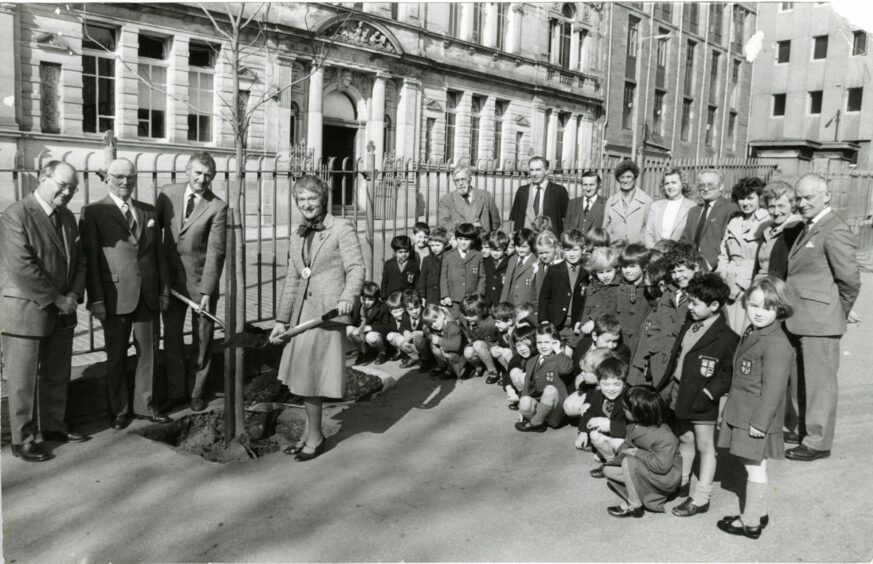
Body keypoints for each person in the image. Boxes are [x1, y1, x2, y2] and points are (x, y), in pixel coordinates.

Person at [269, 175, 364, 461]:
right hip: (301, 316)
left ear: (323, 199)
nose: (307, 204)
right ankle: (310, 434)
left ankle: (315, 437)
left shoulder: (341, 228)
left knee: (310, 378)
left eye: (312, 198)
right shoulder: (297, 233)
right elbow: (292, 278)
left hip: (327, 315)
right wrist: (280, 320)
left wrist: (349, 297)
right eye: (302, 199)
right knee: (303, 378)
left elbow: (357, 267)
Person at [0, 161, 89, 462]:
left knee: (56, 372)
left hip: (63, 307)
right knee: (23, 380)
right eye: (62, 185)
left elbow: (80, 260)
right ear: (42, 178)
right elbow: (22, 267)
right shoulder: (16, 215)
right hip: (26, 309)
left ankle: (53, 427)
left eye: (73, 188)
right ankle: (22, 439)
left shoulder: (67, 217)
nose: (67, 192)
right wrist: (58, 298)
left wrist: (75, 293)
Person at [80, 158, 170, 431]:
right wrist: (95, 299)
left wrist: (164, 290)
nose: (125, 182)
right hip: (114, 296)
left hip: (149, 294)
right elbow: (91, 260)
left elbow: (159, 255)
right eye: (118, 176)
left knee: (149, 353)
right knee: (116, 355)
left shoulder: (148, 210)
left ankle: (146, 406)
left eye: (130, 177)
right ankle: (119, 410)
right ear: (107, 178)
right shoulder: (93, 211)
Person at [783, 173, 861, 462]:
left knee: (819, 383)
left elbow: (850, 280)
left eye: (808, 198)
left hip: (820, 320)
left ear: (826, 196)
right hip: (799, 316)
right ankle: (802, 427)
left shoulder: (834, 229)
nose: (802, 203)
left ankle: (817, 441)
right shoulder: (808, 226)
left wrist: (839, 311)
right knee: (799, 379)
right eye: (798, 198)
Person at [717, 277, 794, 539]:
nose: (758, 312)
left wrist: (760, 423)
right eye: (753, 305)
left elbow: (774, 390)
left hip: (755, 417)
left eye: (767, 307)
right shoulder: (755, 332)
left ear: (780, 309)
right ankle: (757, 511)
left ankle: (750, 522)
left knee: (754, 467)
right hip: (744, 412)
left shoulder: (776, 343)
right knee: (753, 464)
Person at [660, 273, 739, 514]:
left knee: (705, 446)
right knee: (685, 439)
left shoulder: (726, 338)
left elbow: (728, 373)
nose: (690, 307)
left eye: (695, 303)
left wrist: (708, 392)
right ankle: (682, 484)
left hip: (703, 398)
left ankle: (701, 497)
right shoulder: (689, 325)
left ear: (714, 306)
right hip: (680, 392)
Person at [157, 151, 227, 413]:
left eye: (208, 175)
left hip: (200, 285)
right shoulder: (167, 193)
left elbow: (216, 252)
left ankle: (197, 391)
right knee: (172, 338)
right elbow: (157, 235)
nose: (202, 179)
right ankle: (176, 392)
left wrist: (208, 290)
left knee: (203, 338)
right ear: (187, 170)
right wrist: (161, 280)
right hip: (170, 284)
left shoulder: (217, 207)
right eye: (198, 173)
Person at [602, 386, 681, 518]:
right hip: (646, 468)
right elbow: (628, 443)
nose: (623, 410)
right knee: (608, 471)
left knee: (628, 462)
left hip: (663, 478)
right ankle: (641, 490)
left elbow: (662, 467)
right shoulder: (634, 424)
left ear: (640, 412)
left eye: (626, 408)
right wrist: (620, 453)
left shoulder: (665, 437)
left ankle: (635, 504)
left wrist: (637, 453)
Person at [716, 177, 770, 332]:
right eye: (741, 198)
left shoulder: (766, 221)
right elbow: (724, 254)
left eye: (750, 198)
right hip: (729, 285)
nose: (745, 203)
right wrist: (723, 275)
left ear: (760, 198)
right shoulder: (734, 221)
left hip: (751, 285)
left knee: (745, 330)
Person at [515, 323, 573, 432]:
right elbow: (528, 385)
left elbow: (565, 370)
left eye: (547, 342)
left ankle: (535, 422)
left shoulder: (561, 358)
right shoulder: (532, 360)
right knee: (524, 401)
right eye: (539, 342)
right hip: (540, 405)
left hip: (555, 410)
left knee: (550, 390)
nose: (543, 346)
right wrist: (521, 409)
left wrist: (559, 351)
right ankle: (540, 424)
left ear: (555, 342)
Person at [579, 357, 630, 476]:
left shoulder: (630, 398)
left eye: (617, 384)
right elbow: (589, 413)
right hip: (611, 436)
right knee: (594, 434)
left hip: (626, 439)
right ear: (598, 382)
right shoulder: (598, 394)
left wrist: (610, 425)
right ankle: (610, 462)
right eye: (606, 384)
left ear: (625, 383)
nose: (611, 389)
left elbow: (636, 428)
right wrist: (582, 431)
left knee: (616, 442)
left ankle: (621, 466)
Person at [680, 169, 740, 271]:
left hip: (714, 268)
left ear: (721, 186)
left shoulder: (730, 209)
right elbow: (685, 239)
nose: (706, 189)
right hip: (690, 266)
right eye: (702, 185)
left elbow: (727, 242)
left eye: (710, 185)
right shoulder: (693, 211)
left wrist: (707, 265)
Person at [538, 229, 589, 346]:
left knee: (571, 356)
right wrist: (544, 319)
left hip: (575, 324)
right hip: (556, 323)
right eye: (567, 250)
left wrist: (582, 320)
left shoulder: (587, 272)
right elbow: (544, 297)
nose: (571, 254)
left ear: (584, 249)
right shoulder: (554, 270)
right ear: (562, 250)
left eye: (575, 250)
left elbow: (587, 299)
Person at [754, 180, 803, 281]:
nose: (776, 212)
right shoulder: (768, 230)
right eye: (772, 207)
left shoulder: (796, 229)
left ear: (792, 206)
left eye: (781, 206)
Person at [509, 156, 569, 234]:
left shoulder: (559, 191)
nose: (534, 174)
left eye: (538, 170)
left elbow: (567, 219)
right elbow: (515, 219)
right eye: (531, 170)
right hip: (525, 241)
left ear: (547, 171)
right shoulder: (522, 191)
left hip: (548, 241)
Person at [603, 160, 653, 245]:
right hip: (615, 250)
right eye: (622, 177)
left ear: (635, 178)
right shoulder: (611, 201)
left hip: (637, 251)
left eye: (629, 177)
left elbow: (650, 230)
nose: (625, 180)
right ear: (618, 179)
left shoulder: (646, 201)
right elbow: (605, 228)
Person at [438, 166, 501, 234]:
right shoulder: (446, 200)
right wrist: (468, 226)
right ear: (454, 182)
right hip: (461, 240)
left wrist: (486, 237)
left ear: (470, 179)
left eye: (463, 179)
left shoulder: (485, 196)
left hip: (481, 240)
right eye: (457, 180)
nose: (460, 183)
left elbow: (495, 222)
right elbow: (444, 223)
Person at [440, 223, 485, 316]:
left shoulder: (477, 256)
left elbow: (482, 277)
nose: (463, 242)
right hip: (453, 299)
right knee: (454, 323)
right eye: (460, 239)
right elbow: (443, 277)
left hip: (471, 299)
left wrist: (478, 295)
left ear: (472, 240)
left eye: (466, 239)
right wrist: (445, 295)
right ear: (456, 239)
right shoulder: (448, 255)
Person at [644, 168, 696, 248]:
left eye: (673, 183)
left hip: (679, 256)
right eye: (667, 183)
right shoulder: (655, 206)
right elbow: (649, 234)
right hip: (656, 255)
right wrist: (654, 253)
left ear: (682, 184)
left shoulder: (692, 207)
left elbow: (691, 238)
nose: (670, 186)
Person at [615, 244, 651, 355]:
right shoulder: (619, 288)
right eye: (624, 266)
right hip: (619, 342)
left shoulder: (649, 290)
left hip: (639, 342)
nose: (627, 271)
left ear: (644, 266)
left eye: (632, 266)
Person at [347, 282, 391, 365]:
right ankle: (365, 352)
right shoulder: (359, 306)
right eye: (364, 299)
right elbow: (354, 322)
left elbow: (388, 327)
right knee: (348, 330)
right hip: (362, 332)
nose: (366, 302)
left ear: (376, 298)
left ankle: (383, 352)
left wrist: (369, 327)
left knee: (371, 336)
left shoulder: (383, 307)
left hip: (377, 334)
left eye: (370, 299)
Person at [579, 247, 621, 334]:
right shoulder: (592, 286)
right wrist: (581, 324)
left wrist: (594, 321)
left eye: (609, 271)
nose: (605, 276)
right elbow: (586, 309)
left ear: (616, 269)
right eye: (601, 272)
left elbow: (611, 308)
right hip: (587, 330)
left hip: (606, 331)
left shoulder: (618, 287)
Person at [422, 304, 466, 379]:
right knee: (432, 345)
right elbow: (428, 332)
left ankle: (457, 369)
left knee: (443, 348)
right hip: (449, 351)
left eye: (435, 321)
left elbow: (456, 346)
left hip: (459, 354)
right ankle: (443, 366)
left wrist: (439, 340)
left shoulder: (453, 327)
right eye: (431, 324)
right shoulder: (437, 327)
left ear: (442, 315)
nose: (434, 325)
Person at [499, 228, 538, 307]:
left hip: (526, 307)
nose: (520, 249)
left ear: (531, 245)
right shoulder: (512, 259)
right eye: (518, 246)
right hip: (509, 305)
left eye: (524, 247)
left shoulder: (537, 262)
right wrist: (502, 304)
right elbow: (507, 284)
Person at [564, 170, 606, 235]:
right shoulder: (572, 204)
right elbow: (566, 230)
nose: (588, 189)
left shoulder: (605, 204)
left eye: (592, 185)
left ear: (599, 185)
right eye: (585, 185)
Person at [417, 226, 447, 305]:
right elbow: (422, 279)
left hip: (444, 297)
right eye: (432, 245)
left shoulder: (448, 258)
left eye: (437, 245)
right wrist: (422, 296)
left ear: (445, 244)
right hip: (430, 296)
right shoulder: (427, 260)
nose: (435, 248)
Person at [483, 230, 510, 308]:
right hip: (486, 302)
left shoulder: (509, 262)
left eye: (498, 250)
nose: (495, 253)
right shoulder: (486, 261)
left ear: (504, 249)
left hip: (501, 301)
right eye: (493, 250)